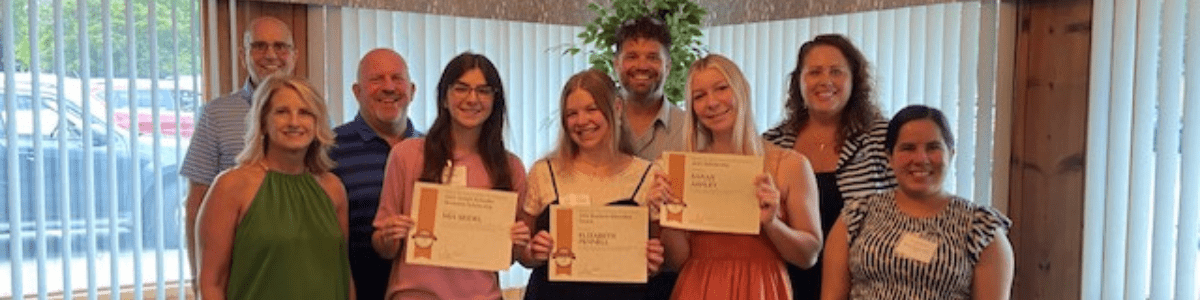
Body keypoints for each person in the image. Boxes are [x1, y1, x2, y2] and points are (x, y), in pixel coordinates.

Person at [653, 54, 822, 300]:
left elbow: (808, 256)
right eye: (699, 96)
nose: (712, 102)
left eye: (721, 88)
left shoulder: (790, 165)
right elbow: (678, 262)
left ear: (742, 90)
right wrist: (666, 218)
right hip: (697, 288)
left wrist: (772, 224)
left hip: (763, 289)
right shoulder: (680, 170)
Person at [371, 52, 531, 300]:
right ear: (444, 98)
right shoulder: (407, 155)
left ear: (494, 100)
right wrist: (389, 235)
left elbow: (511, 256)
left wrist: (517, 242)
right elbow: (384, 248)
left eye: (484, 91)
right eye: (461, 89)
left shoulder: (510, 168)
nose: (472, 99)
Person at [820, 105, 1013, 300]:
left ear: (951, 154)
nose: (921, 158)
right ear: (889, 157)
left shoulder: (981, 230)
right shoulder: (856, 216)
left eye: (933, 147)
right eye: (908, 148)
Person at [760, 34, 895, 299]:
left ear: (854, 80)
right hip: (786, 283)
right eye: (814, 72)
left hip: (864, 285)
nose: (825, 81)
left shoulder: (883, 138)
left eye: (836, 71)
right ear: (798, 81)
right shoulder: (771, 144)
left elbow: (909, 211)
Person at [196, 75, 353, 300]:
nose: (294, 122)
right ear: (262, 121)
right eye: (282, 112)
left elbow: (343, 274)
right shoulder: (231, 186)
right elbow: (212, 283)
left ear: (318, 123)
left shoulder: (333, 188)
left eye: (305, 112)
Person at [516, 69, 667, 300]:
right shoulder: (544, 173)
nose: (582, 121)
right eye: (571, 114)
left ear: (616, 108)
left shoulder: (648, 176)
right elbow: (522, 253)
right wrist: (533, 252)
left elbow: (657, 258)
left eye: (591, 109)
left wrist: (654, 262)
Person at [182, 16, 297, 278]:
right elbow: (196, 204)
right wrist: (200, 279)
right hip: (239, 268)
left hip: (299, 262)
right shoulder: (216, 115)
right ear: (242, 56)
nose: (270, 55)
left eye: (280, 46)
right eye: (259, 46)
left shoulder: (314, 114)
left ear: (294, 55)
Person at [330, 48, 424, 300]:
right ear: (357, 92)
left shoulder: (436, 151)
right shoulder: (328, 149)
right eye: (376, 79)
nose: (388, 87)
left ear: (412, 90)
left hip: (424, 292)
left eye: (397, 78)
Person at [613, 15, 687, 161]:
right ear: (616, 65)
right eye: (632, 56)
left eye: (653, 57)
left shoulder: (689, 129)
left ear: (668, 67)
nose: (642, 66)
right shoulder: (596, 123)